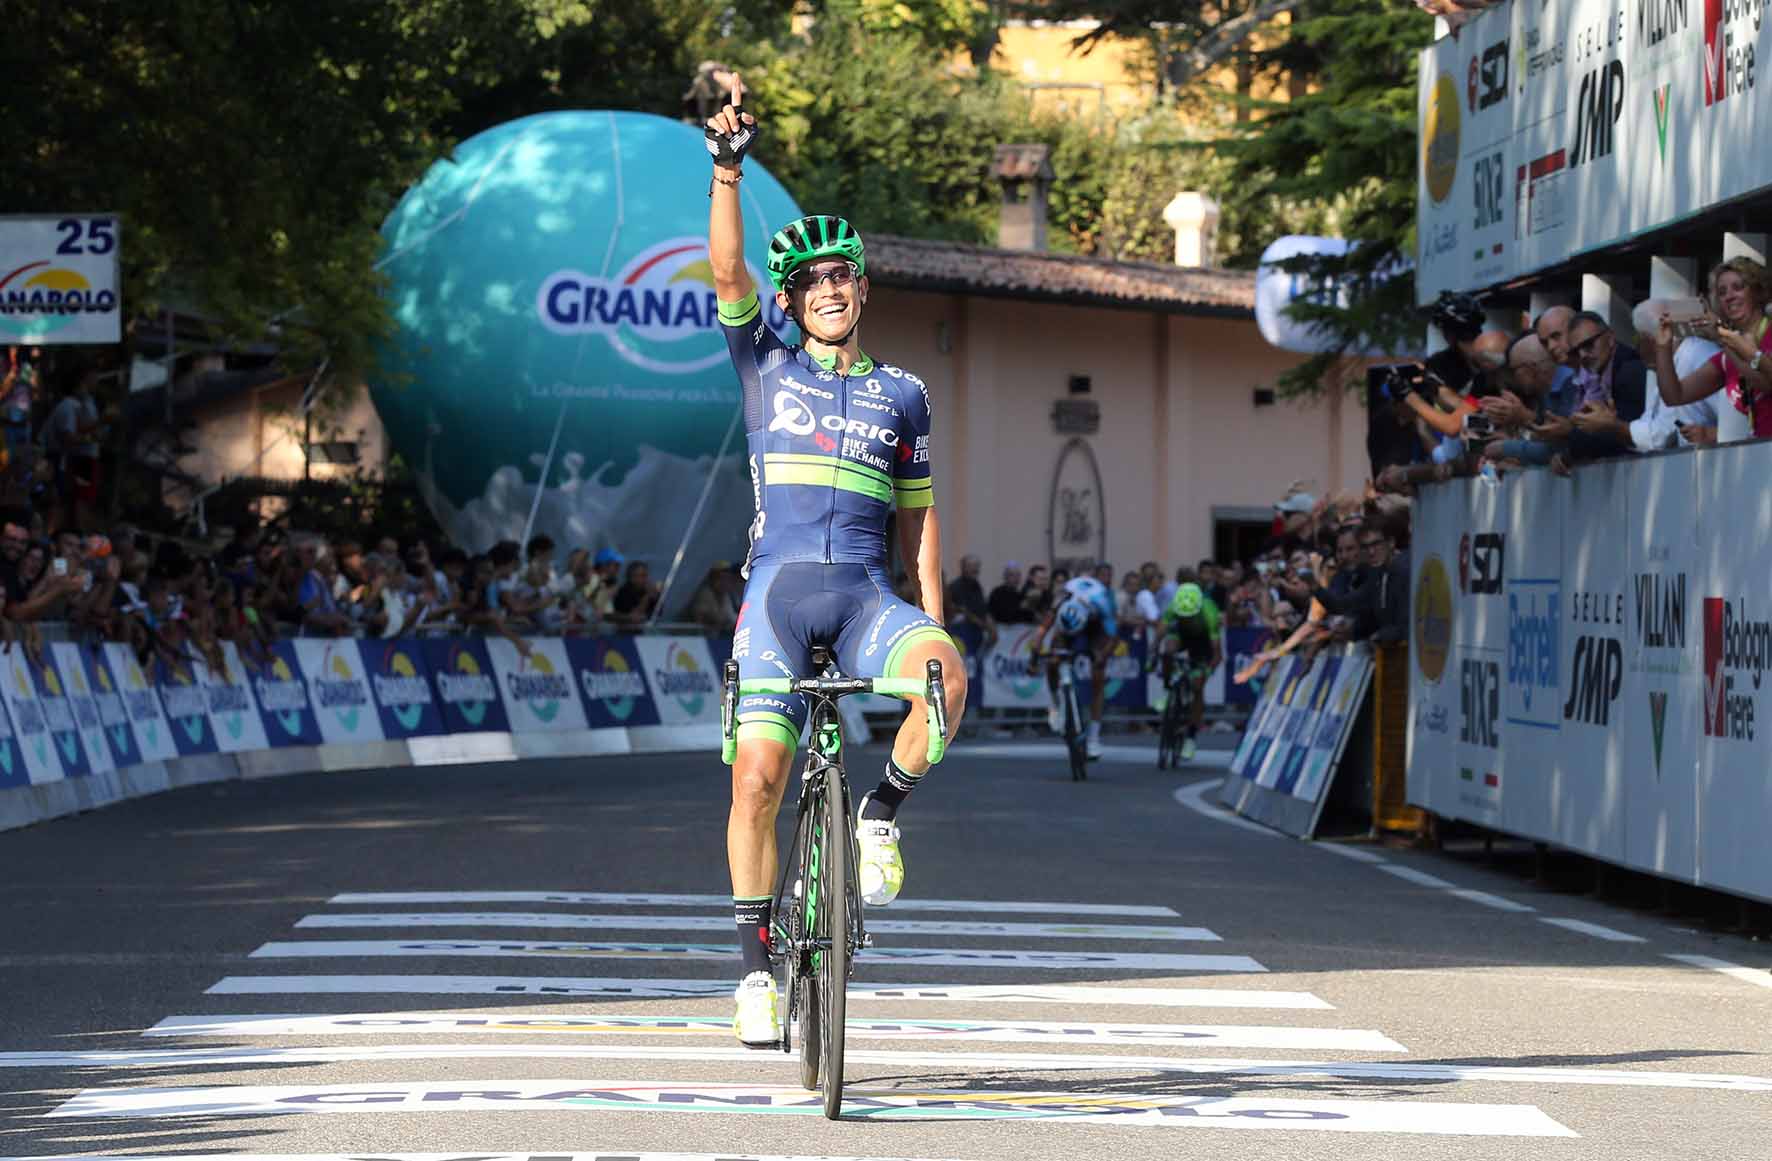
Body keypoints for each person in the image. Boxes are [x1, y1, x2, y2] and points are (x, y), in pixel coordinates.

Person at [705, 76, 967, 1046]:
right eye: (809, 283)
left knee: (943, 680)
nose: (826, 291)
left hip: (862, 594)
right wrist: (726, 167)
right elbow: (726, 270)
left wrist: (933, 615)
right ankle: (751, 973)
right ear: (793, 301)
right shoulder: (762, 365)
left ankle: (878, 816)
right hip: (776, 595)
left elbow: (918, 523)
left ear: (861, 287)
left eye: (840, 277)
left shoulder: (902, 395)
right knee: (756, 781)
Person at [1649, 257, 1772, 439]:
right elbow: (1674, 396)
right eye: (1722, 292)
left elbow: (1766, 384)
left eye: (1738, 287)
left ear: (1757, 291)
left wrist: (1721, 337)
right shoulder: (1725, 357)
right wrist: (1663, 346)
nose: (1729, 296)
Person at [1029, 573, 1117, 759]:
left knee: (1098, 676)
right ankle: (1055, 705)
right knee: (1054, 659)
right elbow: (1041, 632)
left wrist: (1102, 657)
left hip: (1095, 630)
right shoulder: (1060, 601)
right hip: (1066, 629)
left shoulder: (1101, 605)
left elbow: (1113, 637)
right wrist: (1034, 658)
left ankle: (1094, 737)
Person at [1155, 581, 1223, 763]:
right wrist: (1154, 653)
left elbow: (1217, 655)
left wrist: (1206, 672)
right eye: (1183, 615)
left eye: (1189, 616)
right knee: (1168, 650)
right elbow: (1160, 632)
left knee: (1198, 687)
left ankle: (1191, 737)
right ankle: (1168, 689)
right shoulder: (1174, 607)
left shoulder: (1210, 613)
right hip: (1181, 635)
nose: (1186, 618)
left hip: (1202, 642)